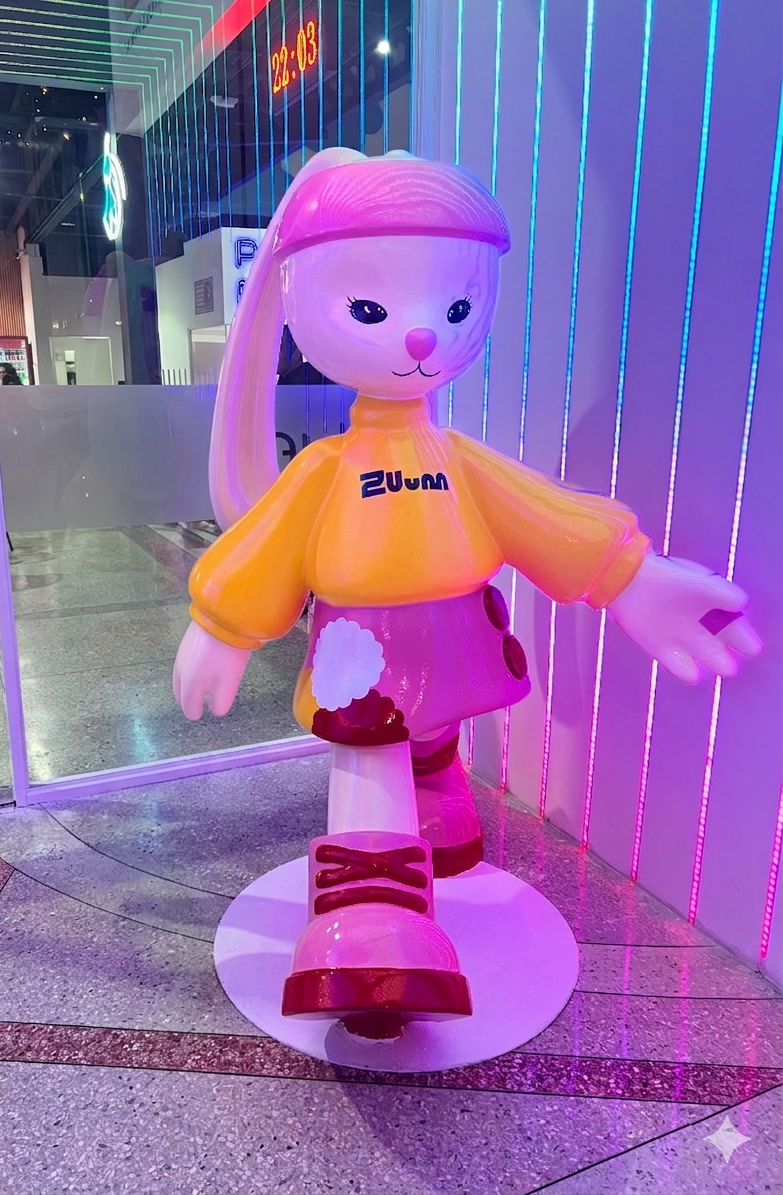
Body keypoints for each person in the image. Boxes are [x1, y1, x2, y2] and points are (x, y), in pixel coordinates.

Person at [172, 149, 761, 1037]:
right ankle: (371, 922)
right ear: (296, 304)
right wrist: (222, 620)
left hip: (453, 637)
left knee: (434, 734)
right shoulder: (329, 467)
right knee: (369, 751)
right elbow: (269, 543)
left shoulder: (457, 457)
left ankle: (438, 797)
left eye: (454, 308)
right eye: (371, 308)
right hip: (361, 652)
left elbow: (540, 514)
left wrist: (633, 576)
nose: (421, 337)